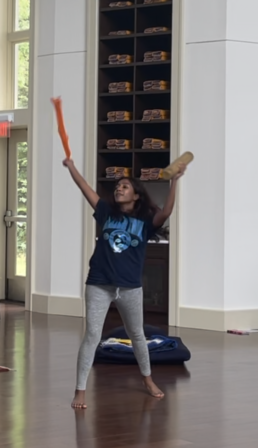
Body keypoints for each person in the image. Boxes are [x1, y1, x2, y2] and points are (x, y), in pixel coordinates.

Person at [62, 159, 185, 409]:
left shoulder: (146, 222)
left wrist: (174, 182)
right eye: (118, 186)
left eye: (125, 186)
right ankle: (80, 390)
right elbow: (84, 187)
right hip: (99, 283)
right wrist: (72, 166)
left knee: (137, 335)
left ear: (136, 195)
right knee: (92, 336)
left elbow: (167, 212)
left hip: (130, 286)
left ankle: (148, 380)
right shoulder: (107, 211)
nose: (119, 189)